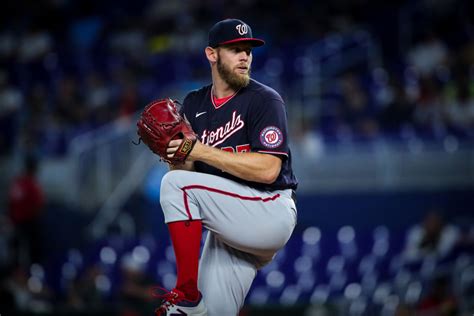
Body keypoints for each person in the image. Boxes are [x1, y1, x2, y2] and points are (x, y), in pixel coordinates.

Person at [153, 18, 298, 315]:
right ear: (212, 54)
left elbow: (270, 169)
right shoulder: (193, 104)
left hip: (269, 209)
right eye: (235, 49)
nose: (245, 56)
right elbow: (186, 179)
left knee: (172, 187)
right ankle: (195, 303)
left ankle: (186, 295)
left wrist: (201, 151)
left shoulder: (264, 100)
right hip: (230, 226)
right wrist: (174, 157)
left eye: (248, 50)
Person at [7, 155, 45, 266]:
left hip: (16, 220)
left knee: (16, 250)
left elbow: (11, 201)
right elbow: (39, 204)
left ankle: (16, 271)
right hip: (28, 221)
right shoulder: (31, 184)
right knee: (32, 250)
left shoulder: (18, 182)